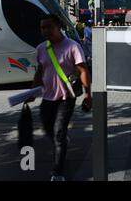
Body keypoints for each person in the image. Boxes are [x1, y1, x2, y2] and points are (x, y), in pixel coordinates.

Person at [30, 14, 92, 181]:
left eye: (49, 27)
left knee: (58, 133)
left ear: (58, 26)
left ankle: (57, 172)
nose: (45, 31)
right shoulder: (41, 48)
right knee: (48, 128)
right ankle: (63, 140)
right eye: (43, 27)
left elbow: (83, 70)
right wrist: (32, 92)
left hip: (67, 97)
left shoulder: (72, 47)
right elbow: (40, 70)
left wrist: (88, 95)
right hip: (47, 97)